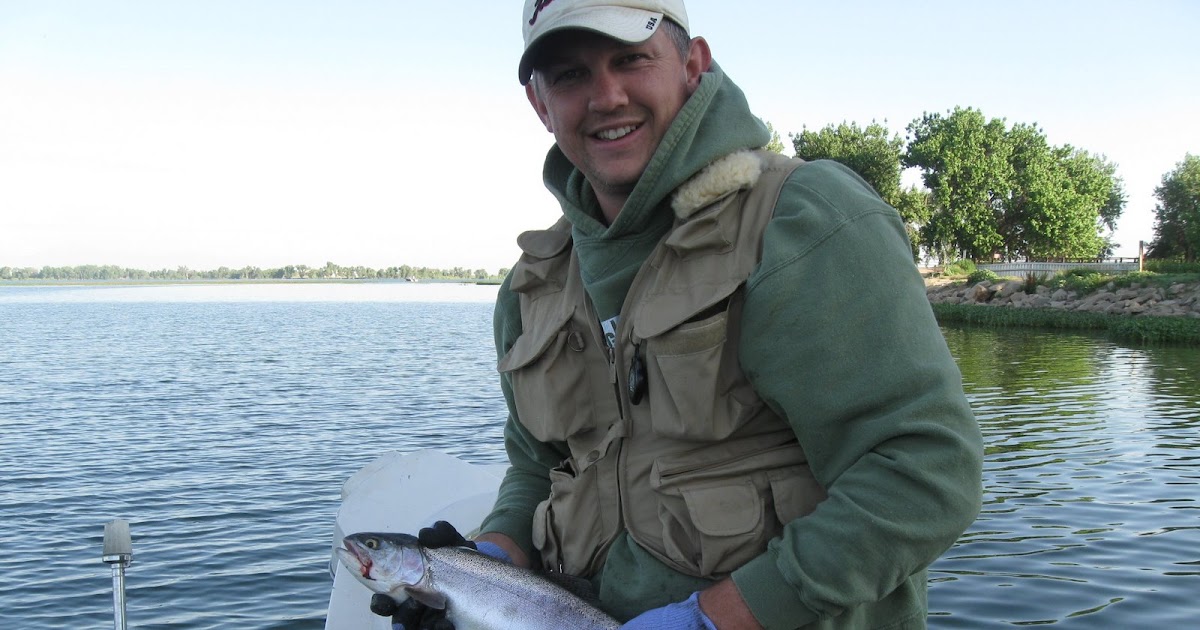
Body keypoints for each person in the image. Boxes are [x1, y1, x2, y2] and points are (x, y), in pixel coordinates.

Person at [375, 1, 984, 628]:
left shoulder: (805, 221)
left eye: (631, 59)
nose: (606, 97)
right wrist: (479, 565)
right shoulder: (530, 287)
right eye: (569, 75)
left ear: (693, 65)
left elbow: (926, 472)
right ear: (539, 103)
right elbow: (537, 466)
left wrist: (711, 618)